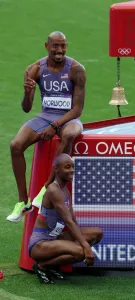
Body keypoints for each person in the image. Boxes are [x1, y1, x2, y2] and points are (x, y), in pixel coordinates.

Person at [7, 31, 86, 222]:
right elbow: (26, 108)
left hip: (68, 119)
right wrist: (27, 93)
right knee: (15, 145)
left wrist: (55, 125)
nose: (60, 50)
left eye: (63, 46)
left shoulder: (76, 69)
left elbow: (77, 110)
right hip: (45, 116)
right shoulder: (34, 69)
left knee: (68, 135)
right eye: (55, 46)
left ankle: (46, 188)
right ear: (46, 46)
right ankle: (22, 201)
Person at [28, 154, 103, 284]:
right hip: (40, 243)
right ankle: (43, 266)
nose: (72, 170)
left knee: (96, 233)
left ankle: (53, 264)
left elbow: (73, 221)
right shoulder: (53, 190)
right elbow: (67, 220)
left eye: (73, 167)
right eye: (67, 167)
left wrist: (81, 241)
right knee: (80, 252)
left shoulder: (64, 190)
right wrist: (85, 247)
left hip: (55, 238)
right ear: (56, 169)